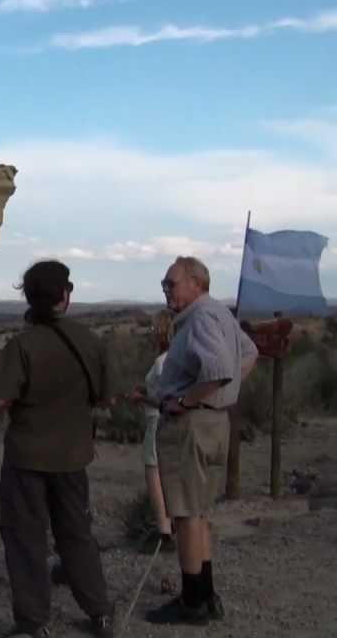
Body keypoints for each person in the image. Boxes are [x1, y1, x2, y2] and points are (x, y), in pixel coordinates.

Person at [0, 260, 116, 638]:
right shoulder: (91, 342)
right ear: (65, 295)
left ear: (28, 296)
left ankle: (32, 623)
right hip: (73, 456)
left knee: (26, 539)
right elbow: (107, 399)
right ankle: (100, 612)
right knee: (77, 534)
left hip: (26, 456)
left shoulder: (22, 345)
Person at [144, 256, 257, 625]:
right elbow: (249, 354)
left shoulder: (200, 318)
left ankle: (192, 602)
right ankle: (205, 595)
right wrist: (221, 393)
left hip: (192, 424)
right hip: (214, 422)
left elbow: (220, 370)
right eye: (164, 283)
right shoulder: (219, 314)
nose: (165, 289)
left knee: (187, 514)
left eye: (171, 283)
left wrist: (187, 399)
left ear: (196, 282)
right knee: (199, 512)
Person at [131, 309, 176, 551]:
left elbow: (165, 399)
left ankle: (164, 530)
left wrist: (141, 397)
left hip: (156, 422)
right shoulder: (179, 358)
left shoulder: (162, 362)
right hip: (169, 424)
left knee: (154, 474)